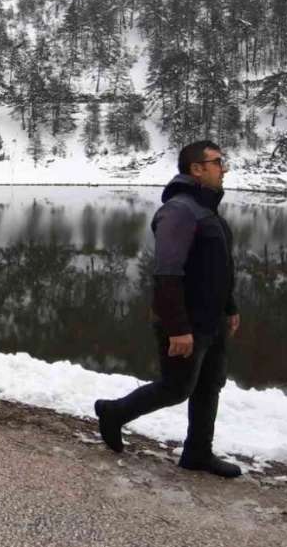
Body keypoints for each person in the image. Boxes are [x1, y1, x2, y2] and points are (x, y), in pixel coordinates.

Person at [94, 140, 242, 479]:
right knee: (176, 388)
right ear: (197, 169)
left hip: (212, 320)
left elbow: (220, 268)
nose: (225, 168)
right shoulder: (179, 211)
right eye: (218, 162)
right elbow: (167, 272)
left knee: (209, 386)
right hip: (185, 321)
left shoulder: (208, 211)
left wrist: (230, 307)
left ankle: (197, 453)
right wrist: (177, 327)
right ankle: (114, 413)